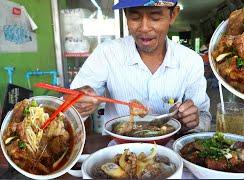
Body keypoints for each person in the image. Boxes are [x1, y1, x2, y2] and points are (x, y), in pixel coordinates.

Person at [69, 0, 212, 132]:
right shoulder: (106, 53)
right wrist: (77, 105)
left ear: (173, 15)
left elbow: (204, 116)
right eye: (135, 17)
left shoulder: (191, 61)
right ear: (125, 15)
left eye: (155, 17)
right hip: (117, 151)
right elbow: (68, 110)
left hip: (172, 151)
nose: (144, 28)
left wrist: (193, 120)